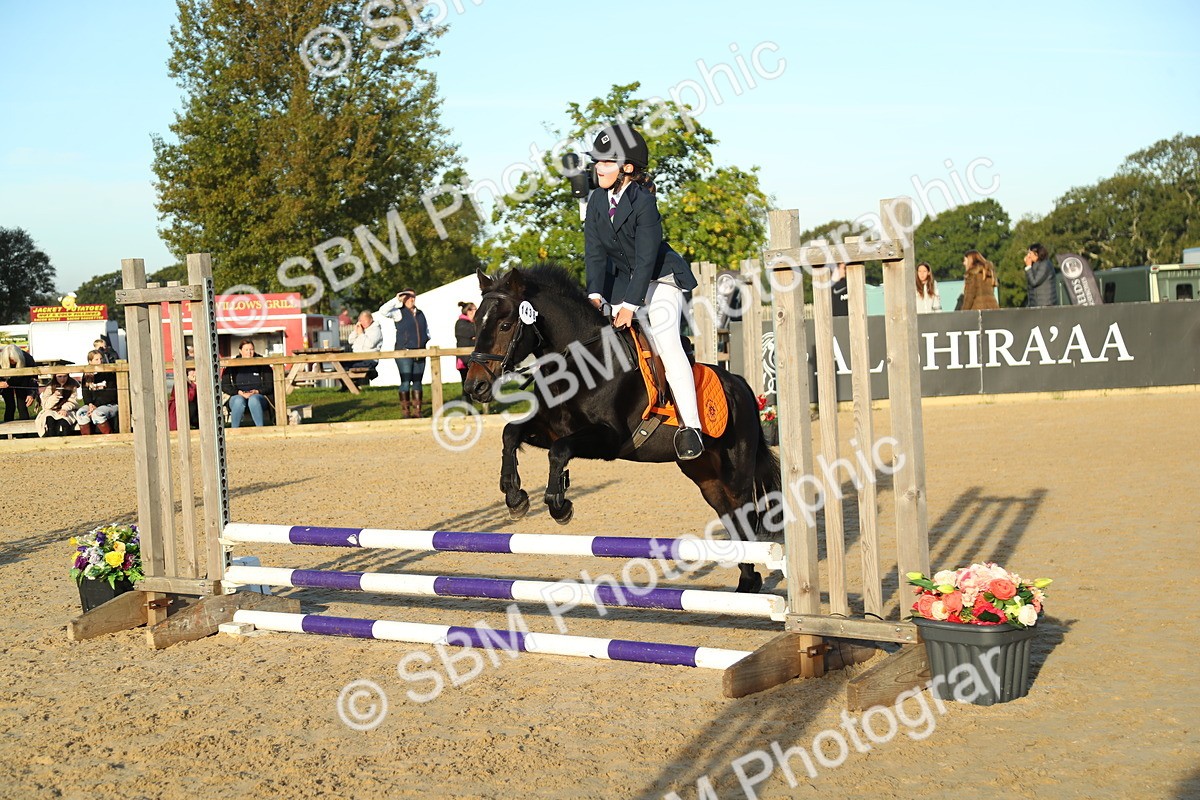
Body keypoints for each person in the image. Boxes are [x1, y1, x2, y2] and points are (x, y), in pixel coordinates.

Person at [583, 123, 703, 460]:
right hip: (624, 283)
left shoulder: (643, 201)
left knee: (665, 340)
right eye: (597, 162)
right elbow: (594, 253)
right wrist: (595, 294)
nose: (599, 168)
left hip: (661, 280)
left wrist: (629, 304)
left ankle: (690, 427)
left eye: (606, 162)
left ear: (628, 167)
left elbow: (647, 258)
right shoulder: (595, 200)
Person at [378, 289, 429, 418]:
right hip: (404, 351)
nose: (411, 299)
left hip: (420, 351)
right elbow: (383, 311)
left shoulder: (420, 313)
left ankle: (417, 411)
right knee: (405, 381)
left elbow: (426, 331)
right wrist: (397, 300)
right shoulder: (398, 313)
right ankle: (406, 412)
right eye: (408, 297)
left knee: (417, 381)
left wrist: (425, 342)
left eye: (413, 297)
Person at [220, 339, 274, 427]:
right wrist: (238, 392)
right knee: (238, 401)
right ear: (240, 351)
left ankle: (260, 428)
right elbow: (225, 386)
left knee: (254, 400)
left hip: (259, 396)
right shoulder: (232, 365)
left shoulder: (263, 364)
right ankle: (235, 430)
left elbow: (269, 385)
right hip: (238, 395)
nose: (249, 352)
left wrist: (257, 391)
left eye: (251, 349)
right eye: (246, 350)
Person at [76, 350, 119, 434]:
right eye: (96, 359)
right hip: (93, 405)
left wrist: (96, 405)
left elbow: (111, 395)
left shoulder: (109, 374)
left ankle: (109, 437)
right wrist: (90, 404)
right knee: (81, 413)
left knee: (97, 413)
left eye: (101, 359)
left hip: (109, 404)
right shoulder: (87, 376)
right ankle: (88, 440)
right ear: (90, 362)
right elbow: (86, 394)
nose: (100, 361)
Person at [0, 345, 38, 423]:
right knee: (10, 405)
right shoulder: (1, 359)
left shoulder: (27, 359)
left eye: (14, 360)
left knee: (22, 406)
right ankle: (7, 431)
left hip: (22, 381)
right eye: (10, 360)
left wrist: (31, 393)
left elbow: (33, 378)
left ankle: (25, 432)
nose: (12, 362)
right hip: (5, 382)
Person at [37, 372, 80, 436]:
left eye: (65, 376)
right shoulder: (50, 386)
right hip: (51, 409)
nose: (62, 379)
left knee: (64, 422)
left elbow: (73, 401)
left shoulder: (72, 385)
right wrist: (55, 396)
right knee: (50, 421)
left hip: (67, 410)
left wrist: (64, 408)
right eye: (59, 376)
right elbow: (46, 405)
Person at [347, 311, 382, 380]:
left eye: (365, 320)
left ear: (371, 320)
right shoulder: (361, 329)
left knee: (348, 367)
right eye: (361, 320)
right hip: (356, 358)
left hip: (369, 360)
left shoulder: (376, 330)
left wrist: (361, 334)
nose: (363, 322)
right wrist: (356, 331)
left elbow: (370, 345)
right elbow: (350, 341)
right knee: (340, 366)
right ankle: (347, 386)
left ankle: (371, 373)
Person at [1024, 243, 1059, 307]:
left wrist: (1028, 267)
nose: (1028, 256)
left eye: (1030, 253)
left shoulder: (1045, 265)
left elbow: (1034, 282)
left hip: (1046, 304)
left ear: (1036, 254)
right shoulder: (1035, 265)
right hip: (1035, 303)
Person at [168, 367, 200, 431]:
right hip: (180, 410)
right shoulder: (182, 382)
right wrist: (193, 384)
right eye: (191, 370)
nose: (194, 373)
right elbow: (189, 398)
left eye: (195, 370)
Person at [454, 302, 476, 383]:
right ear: (469, 311)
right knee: (467, 383)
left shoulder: (472, 323)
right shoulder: (461, 323)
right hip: (464, 359)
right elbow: (473, 332)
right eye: (475, 309)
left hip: (473, 358)